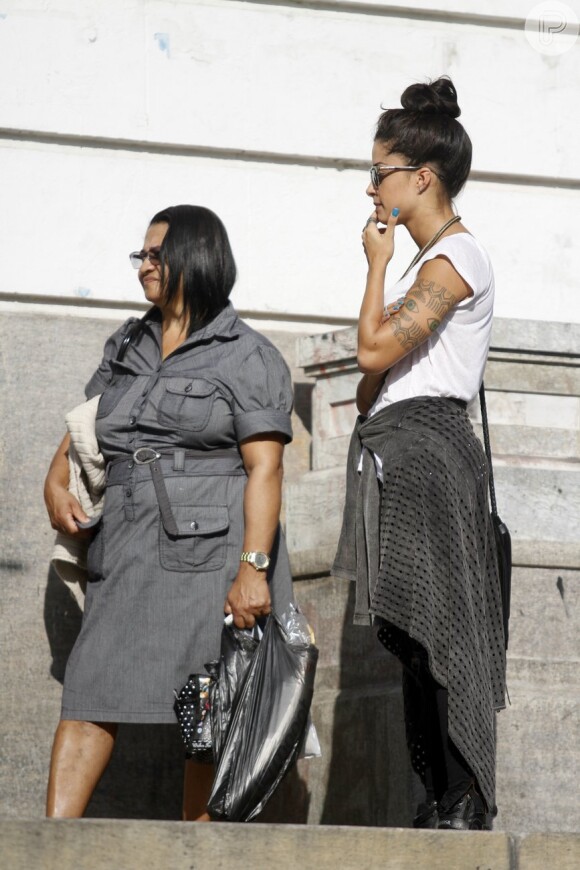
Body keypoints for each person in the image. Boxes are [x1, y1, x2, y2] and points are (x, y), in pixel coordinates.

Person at [44, 204, 295, 820]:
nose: (144, 266)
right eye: (142, 255)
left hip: (211, 557)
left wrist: (253, 568)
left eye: (156, 255)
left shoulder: (248, 355)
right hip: (126, 546)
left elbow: (265, 468)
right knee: (88, 689)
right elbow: (89, 422)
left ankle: (198, 855)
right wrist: (55, 479)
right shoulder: (129, 342)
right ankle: (47, 849)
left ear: (196, 257)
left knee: (208, 708)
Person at [332, 77, 506, 830]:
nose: (371, 187)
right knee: (410, 633)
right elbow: (369, 382)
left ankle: (461, 796)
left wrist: (375, 264)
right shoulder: (426, 264)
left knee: (440, 627)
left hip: (430, 454)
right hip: (398, 455)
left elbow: (373, 352)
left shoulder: (454, 256)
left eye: (380, 172)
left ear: (422, 178)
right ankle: (437, 796)